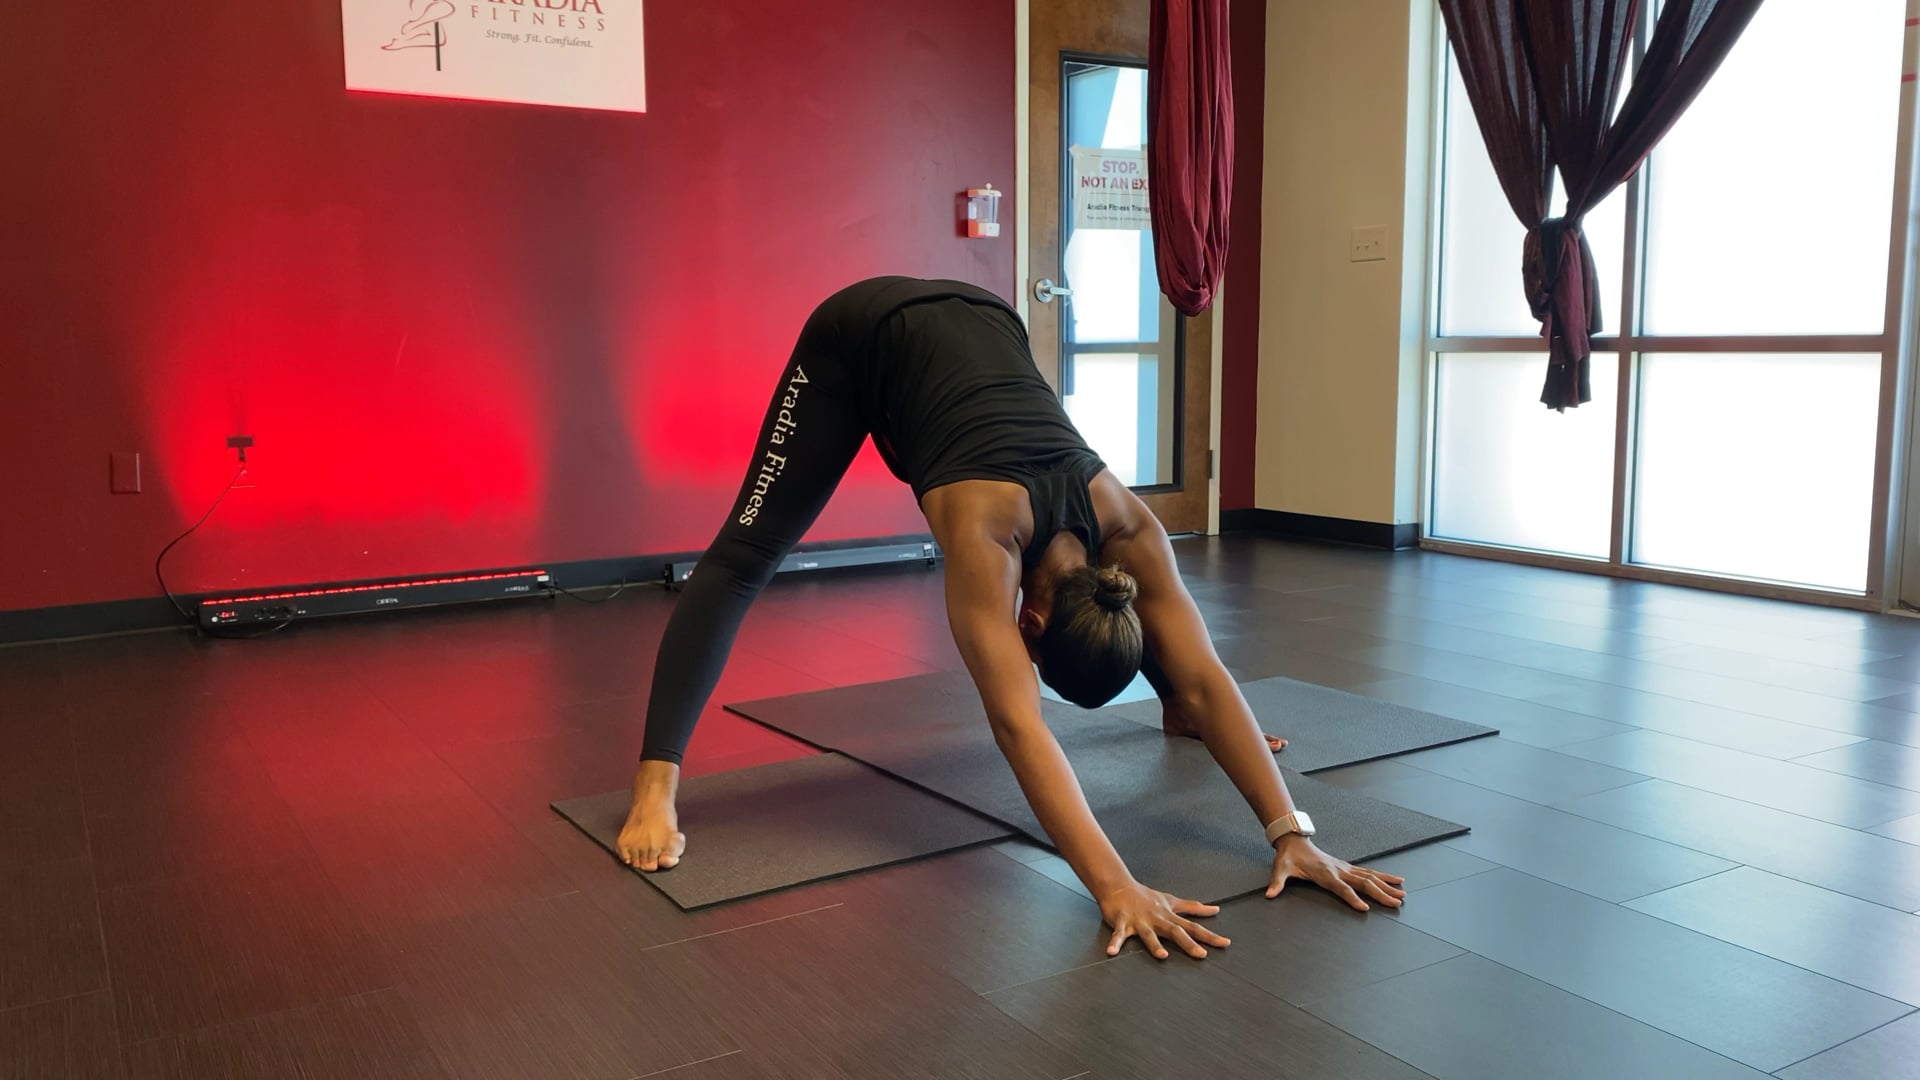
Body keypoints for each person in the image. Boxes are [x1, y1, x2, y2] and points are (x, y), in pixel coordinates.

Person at [618, 276, 1404, 959]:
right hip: (858, 335)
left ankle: (1172, 715)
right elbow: (1019, 726)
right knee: (746, 555)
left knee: (1178, 670)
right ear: (1029, 628)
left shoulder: (1130, 529)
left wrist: (1294, 834)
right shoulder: (985, 537)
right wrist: (1116, 886)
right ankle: (655, 785)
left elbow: (1205, 675)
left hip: (989, 315)